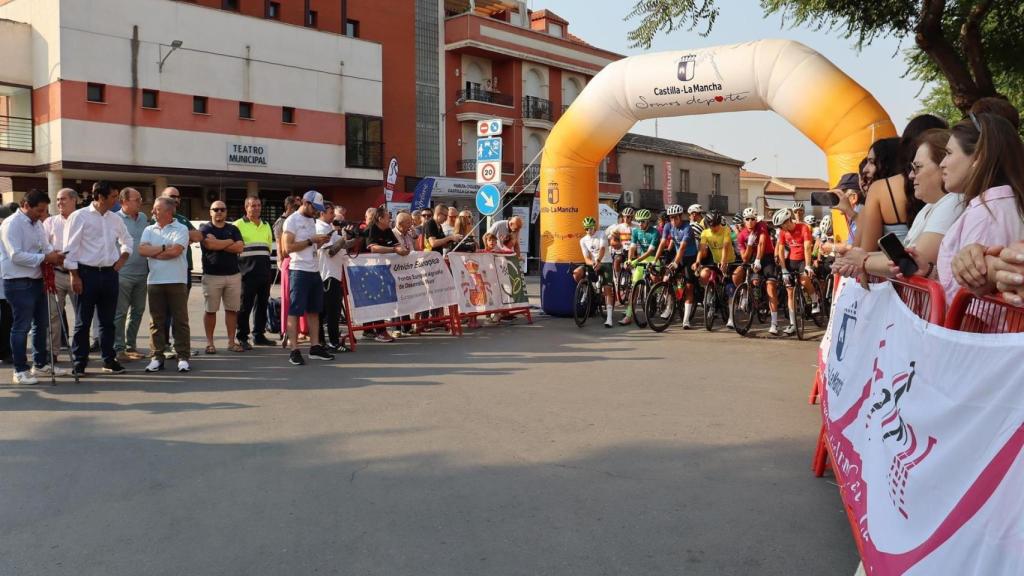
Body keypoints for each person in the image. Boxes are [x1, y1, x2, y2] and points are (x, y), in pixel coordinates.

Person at [833, 129, 964, 281]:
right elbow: (904, 256)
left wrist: (861, 260)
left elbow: (913, 262)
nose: (911, 175)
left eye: (918, 167)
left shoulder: (953, 202)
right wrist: (857, 258)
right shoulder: (931, 207)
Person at [940, 113, 1024, 302]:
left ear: (979, 156)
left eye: (948, 153)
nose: (942, 163)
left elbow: (975, 306)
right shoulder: (997, 205)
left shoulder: (986, 212)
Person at [64, 181, 133, 376]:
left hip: (110, 274)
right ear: (100, 197)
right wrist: (74, 275)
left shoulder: (115, 218)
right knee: (82, 322)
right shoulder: (80, 217)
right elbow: (70, 248)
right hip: (87, 274)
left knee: (107, 321)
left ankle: (109, 360)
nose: (117, 200)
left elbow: (127, 240)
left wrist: (123, 258)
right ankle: (79, 362)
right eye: (113, 196)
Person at [0, 190, 68, 384]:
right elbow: (16, 255)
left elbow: (44, 247)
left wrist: (55, 254)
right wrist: (46, 257)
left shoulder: (36, 223)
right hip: (18, 282)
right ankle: (19, 370)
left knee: (42, 324)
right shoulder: (11, 224)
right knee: (21, 327)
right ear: (26, 205)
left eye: (44, 210)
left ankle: (39, 364)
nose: (42, 214)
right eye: (39, 210)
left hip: (38, 279)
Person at [857, 115, 949, 252]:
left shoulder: (882, 189)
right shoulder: (950, 196)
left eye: (872, 162)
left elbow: (865, 251)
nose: (865, 169)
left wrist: (861, 261)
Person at [139, 197, 192, 373]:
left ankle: (183, 356)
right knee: (156, 321)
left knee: (180, 321)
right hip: (154, 281)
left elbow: (176, 251)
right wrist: (163, 247)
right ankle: (156, 357)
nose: (153, 212)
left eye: (157, 209)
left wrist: (154, 251)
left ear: (169, 212)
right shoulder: (148, 228)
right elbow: (142, 250)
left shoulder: (182, 228)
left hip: (177, 280)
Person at [282, 190, 334, 365]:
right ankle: (294, 350)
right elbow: (287, 248)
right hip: (299, 270)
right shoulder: (291, 221)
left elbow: (309, 246)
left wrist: (319, 243)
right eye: (315, 208)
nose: (317, 212)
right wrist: (311, 241)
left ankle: (315, 347)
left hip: (314, 270)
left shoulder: (311, 220)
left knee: (314, 310)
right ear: (305, 202)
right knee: (295, 310)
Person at [160, 187, 202, 357]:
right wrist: (183, 237)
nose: (176, 200)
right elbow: (158, 243)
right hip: (163, 271)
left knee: (180, 311)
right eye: (171, 197)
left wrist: (181, 236)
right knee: (164, 311)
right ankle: (162, 346)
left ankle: (180, 346)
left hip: (184, 270)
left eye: (177, 197)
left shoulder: (182, 219)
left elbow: (198, 236)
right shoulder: (157, 221)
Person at [200, 200, 244, 354]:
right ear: (210, 212)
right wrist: (229, 242)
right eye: (216, 209)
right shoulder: (204, 228)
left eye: (222, 209)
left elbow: (240, 247)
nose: (219, 212)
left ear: (226, 212)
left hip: (233, 275)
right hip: (212, 276)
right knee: (210, 310)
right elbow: (209, 245)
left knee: (232, 310)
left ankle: (231, 342)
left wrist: (219, 243)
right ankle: (210, 343)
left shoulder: (233, 228)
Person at [112, 187, 149, 363]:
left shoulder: (143, 218)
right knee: (120, 313)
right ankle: (118, 348)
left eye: (140, 199)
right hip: (122, 274)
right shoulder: (115, 219)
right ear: (123, 202)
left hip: (142, 273)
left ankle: (130, 346)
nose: (140, 202)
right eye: (137, 199)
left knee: (138, 311)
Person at [234, 196, 276, 349]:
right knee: (245, 307)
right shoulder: (238, 224)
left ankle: (259, 335)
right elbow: (234, 249)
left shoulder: (266, 225)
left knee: (262, 305)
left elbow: (268, 249)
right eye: (253, 206)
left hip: (264, 273)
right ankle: (242, 337)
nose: (256, 208)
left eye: (258, 205)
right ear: (246, 207)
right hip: (246, 274)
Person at [317, 201, 358, 351]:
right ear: (322, 213)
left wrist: (355, 238)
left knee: (326, 311)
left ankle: (322, 341)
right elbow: (331, 251)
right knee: (331, 312)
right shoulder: (320, 228)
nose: (333, 216)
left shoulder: (328, 228)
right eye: (330, 213)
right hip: (327, 274)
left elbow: (341, 245)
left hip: (333, 273)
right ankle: (332, 342)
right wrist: (344, 238)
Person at [365, 206, 410, 342]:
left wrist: (403, 249)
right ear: (380, 219)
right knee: (376, 300)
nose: (390, 219)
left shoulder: (388, 230)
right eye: (387, 216)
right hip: (369, 271)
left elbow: (397, 245)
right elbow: (373, 248)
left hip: (385, 270)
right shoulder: (372, 229)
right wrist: (394, 250)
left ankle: (371, 330)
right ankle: (380, 331)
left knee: (380, 300)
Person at [43, 187, 78, 358]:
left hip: (77, 274)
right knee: (53, 315)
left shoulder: (82, 219)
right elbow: (42, 244)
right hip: (56, 274)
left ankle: (80, 353)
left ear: (74, 200)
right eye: (57, 199)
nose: (59, 203)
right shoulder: (50, 222)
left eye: (63, 199)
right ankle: (52, 352)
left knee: (82, 315)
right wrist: (53, 253)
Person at [773, 208, 818, 335]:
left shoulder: (803, 228)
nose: (781, 228)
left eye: (782, 225)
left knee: (804, 281)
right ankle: (792, 324)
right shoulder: (783, 232)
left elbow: (807, 247)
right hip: (791, 261)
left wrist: (808, 265)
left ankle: (815, 300)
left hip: (803, 260)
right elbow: (781, 250)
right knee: (789, 291)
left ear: (787, 221)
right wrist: (783, 269)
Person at [653, 204, 698, 328]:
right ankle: (669, 306)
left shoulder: (687, 228)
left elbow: (683, 248)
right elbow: (662, 244)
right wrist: (654, 261)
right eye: (671, 218)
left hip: (689, 257)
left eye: (675, 218)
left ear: (680, 217)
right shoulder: (668, 226)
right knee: (666, 278)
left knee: (689, 287)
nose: (673, 221)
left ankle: (686, 319)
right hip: (679, 256)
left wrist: (675, 263)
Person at [737, 207, 780, 334]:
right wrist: (749, 245)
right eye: (747, 219)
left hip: (766, 257)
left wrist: (758, 260)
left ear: (756, 219)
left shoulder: (761, 226)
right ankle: (756, 300)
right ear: (744, 221)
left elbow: (762, 243)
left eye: (753, 219)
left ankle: (774, 323)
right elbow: (744, 258)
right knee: (755, 282)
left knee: (770, 287)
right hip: (752, 258)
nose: (750, 221)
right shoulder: (741, 235)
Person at [693, 210, 740, 328]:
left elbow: (725, 247)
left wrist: (724, 262)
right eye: (711, 225)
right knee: (704, 275)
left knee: (729, 289)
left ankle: (731, 318)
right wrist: (697, 261)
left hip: (729, 261)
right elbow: (702, 249)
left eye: (716, 224)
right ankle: (710, 295)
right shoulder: (705, 233)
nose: (714, 227)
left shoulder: (726, 230)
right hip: (715, 262)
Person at [619, 209, 659, 325]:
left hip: (652, 258)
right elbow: (632, 247)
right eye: (639, 221)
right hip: (640, 259)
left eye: (643, 222)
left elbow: (650, 251)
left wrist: (636, 260)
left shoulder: (654, 232)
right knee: (634, 287)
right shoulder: (636, 231)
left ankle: (659, 293)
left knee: (655, 279)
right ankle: (628, 315)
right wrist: (629, 260)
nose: (640, 224)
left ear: (648, 222)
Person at [573, 216, 615, 327]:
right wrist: (593, 263)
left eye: (590, 228)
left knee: (607, 290)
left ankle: (609, 318)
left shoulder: (602, 234)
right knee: (576, 273)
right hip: (592, 263)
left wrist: (598, 261)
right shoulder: (583, 240)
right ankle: (587, 288)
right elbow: (586, 257)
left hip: (605, 262)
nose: (589, 231)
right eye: (586, 229)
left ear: (594, 227)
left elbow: (602, 249)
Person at [606, 207, 635, 282]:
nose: (625, 218)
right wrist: (615, 243)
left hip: (634, 251)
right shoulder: (619, 227)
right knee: (617, 260)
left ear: (632, 217)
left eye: (628, 217)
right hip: (623, 250)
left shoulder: (637, 226)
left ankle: (634, 279)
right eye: (624, 216)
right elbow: (612, 239)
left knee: (633, 267)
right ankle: (619, 278)